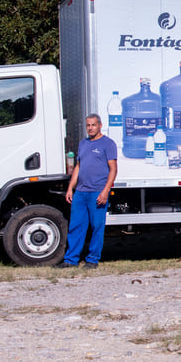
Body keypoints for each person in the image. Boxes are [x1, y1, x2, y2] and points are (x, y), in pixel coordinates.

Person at [58, 114, 118, 269]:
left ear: (100, 125)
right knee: (76, 226)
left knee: (97, 226)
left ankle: (92, 260)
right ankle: (71, 260)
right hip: (81, 193)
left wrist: (105, 191)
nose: (90, 128)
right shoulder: (83, 144)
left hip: (97, 192)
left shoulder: (108, 144)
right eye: (88, 125)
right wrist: (71, 188)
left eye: (93, 125)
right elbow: (78, 166)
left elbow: (113, 170)